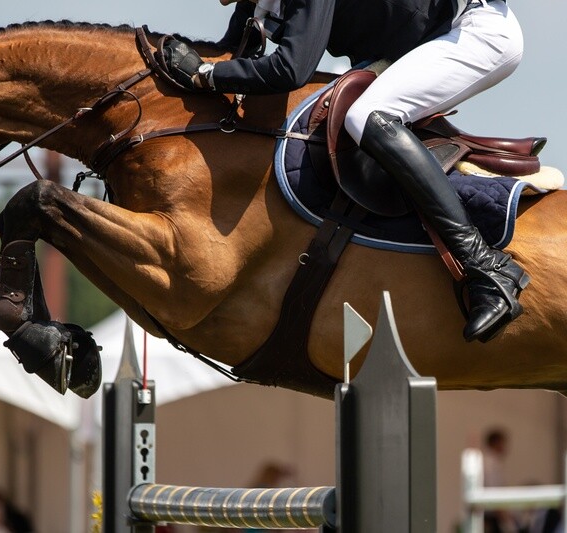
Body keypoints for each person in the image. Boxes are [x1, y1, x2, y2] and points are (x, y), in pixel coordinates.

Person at [164, 0, 529, 343]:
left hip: (475, 32)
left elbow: (291, 69)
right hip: (426, 39)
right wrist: (199, 72)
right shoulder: (252, 4)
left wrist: (204, 75)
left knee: (368, 116)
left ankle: (487, 265)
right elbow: (231, 59)